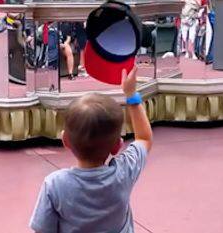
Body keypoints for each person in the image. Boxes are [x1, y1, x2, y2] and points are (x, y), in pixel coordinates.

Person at [30, 66, 152, 232]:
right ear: (117, 146)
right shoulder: (124, 173)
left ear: (65, 141)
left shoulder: (55, 184)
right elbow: (144, 138)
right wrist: (131, 95)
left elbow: (43, 229)